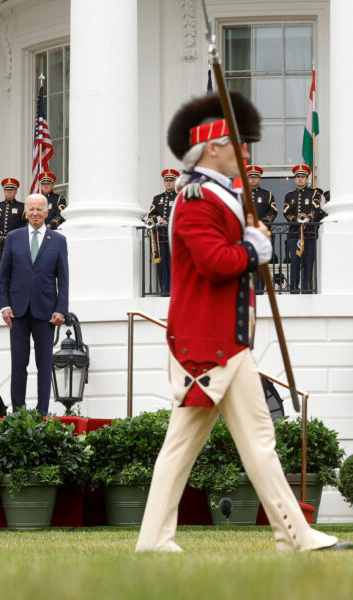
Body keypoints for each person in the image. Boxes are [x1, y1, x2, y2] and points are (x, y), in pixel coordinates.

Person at [136, 91, 349, 553]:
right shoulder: (196, 199)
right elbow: (214, 262)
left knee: (255, 441)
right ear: (213, 147)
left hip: (225, 340)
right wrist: (254, 248)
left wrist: (251, 237)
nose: (247, 151)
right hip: (207, 341)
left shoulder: (222, 195)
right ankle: (159, 540)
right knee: (190, 447)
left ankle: (292, 535)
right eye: (238, 143)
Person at [0, 194, 69, 416]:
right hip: (17, 311)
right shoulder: (13, 237)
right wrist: (4, 305)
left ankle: (42, 412)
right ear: (25, 212)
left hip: (46, 311)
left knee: (44, 365)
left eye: (40, 209)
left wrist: (61, 309)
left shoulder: (58, 240)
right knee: (18, 363)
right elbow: (4, 276)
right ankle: (18, 411)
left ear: (47, 212)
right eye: (31, 209)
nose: (35, 213)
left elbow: (63, 279)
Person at [283, 164, 323, 294]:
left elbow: (315, 210)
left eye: (303, 177)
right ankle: (294, 290)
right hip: (294, 235)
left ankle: (306, 290)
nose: (300, 179)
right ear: (294, 179)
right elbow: (286, 212)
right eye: (298, 177)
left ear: (307, 179)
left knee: (308, 263)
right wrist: (296, 220)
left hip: (309, 235)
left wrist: (308, 220)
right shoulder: (289, 196)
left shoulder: (314, 193)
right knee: (294, 263)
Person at [147, 169, 179, 296]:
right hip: (160, 237)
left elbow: (181, 214)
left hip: (173, 236)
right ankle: (165, 291)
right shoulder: (157, 198)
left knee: (173, 264)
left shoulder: (179, 197)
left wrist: (169, 221)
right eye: (167, 181)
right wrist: (157, 219)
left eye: (171, 180)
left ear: (175, 182)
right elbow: (151, 214)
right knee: (162, 265)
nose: (169, 183)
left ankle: (174, 291)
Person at [246, 165, 276, 293]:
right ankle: (249, 289)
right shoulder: (241, 194)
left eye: (256, 177)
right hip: (246, 234)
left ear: (260, 179)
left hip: (263, 234)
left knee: (262, 262)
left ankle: (260, 288)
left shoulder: (267, 194)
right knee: (248, 262)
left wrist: (261, 224)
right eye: (250, 177)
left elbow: (273, 211)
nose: (253, 180)